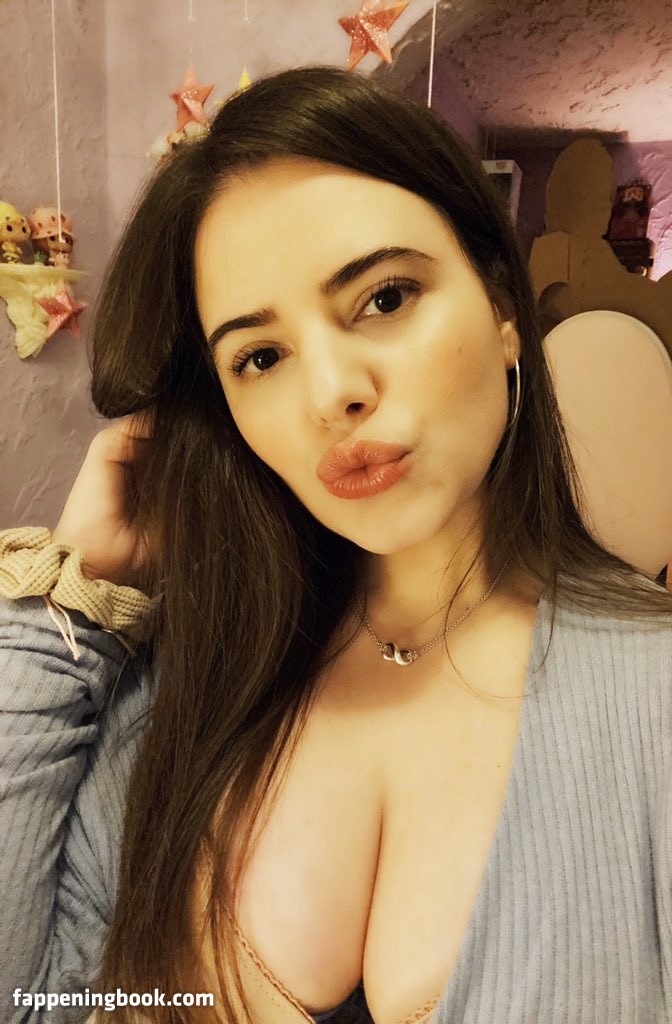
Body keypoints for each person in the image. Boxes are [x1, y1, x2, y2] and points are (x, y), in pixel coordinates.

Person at [1, 64, 671, 1024]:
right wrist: (64, 611)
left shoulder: (651, 698)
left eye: (385, 299)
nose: (330, 394)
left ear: (502, 308)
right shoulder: (186, 680)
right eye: (260, 356)